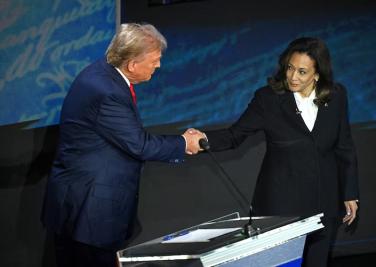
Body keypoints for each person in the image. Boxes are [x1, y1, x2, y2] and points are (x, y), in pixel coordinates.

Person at [41, 23, 204, 267]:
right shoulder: (108, 92)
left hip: (79, 205)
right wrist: (184, 143)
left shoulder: (101, 72)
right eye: (155, 60)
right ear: (132, 65)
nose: (158, 66)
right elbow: (139, 144)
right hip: (90, 212)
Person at [191, 37, 359, 267]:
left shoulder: (337, 95)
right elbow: (235, 135)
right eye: (290, 68)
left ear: (317, 74)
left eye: (302, 71)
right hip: (281, 206)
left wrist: (349, 193)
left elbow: (344, 146)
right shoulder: (268, 99)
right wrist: (202, 140)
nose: (293, 77)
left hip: (324, 202)